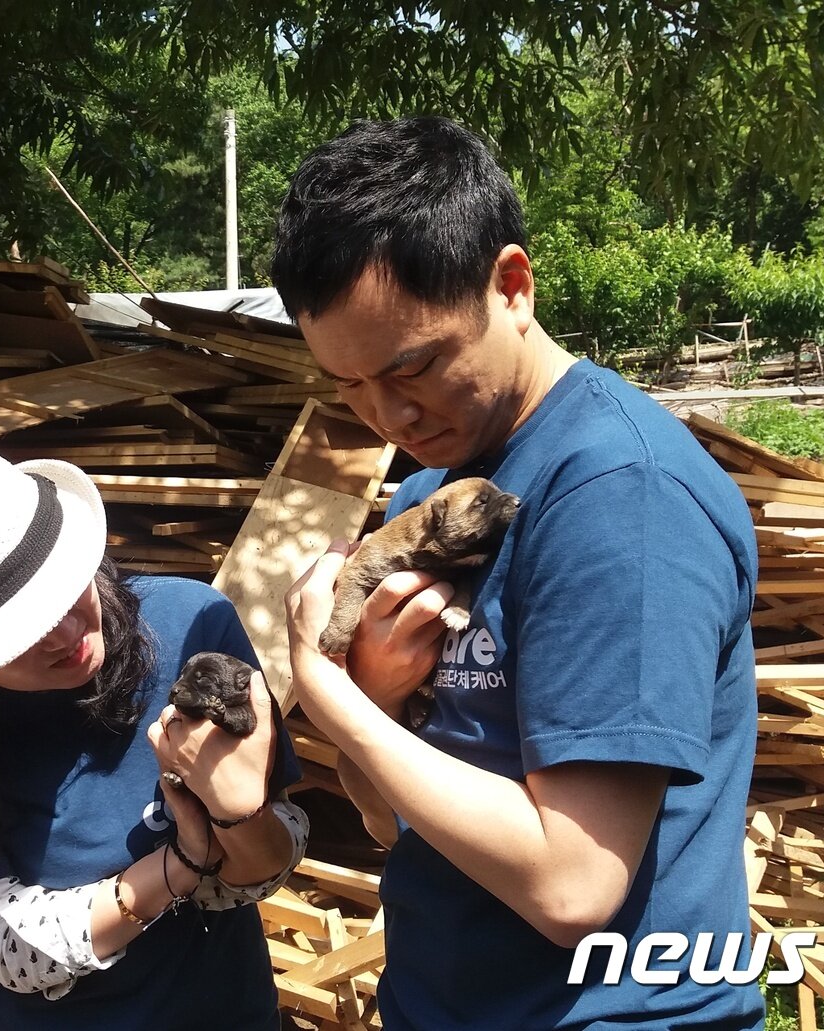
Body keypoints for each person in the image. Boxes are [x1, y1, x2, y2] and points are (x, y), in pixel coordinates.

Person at [275, 117, 764, 1030]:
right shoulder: (434, 492)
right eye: (347, 386)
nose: (388, 414)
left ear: (512, 285)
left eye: (410, 365)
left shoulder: (621, 496)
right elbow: (391, 822)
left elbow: (573, 883)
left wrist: (323, 687)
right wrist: (379, 699)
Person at [0, 432, 309, 1031]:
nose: (63, 635)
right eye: (14, 635)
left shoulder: (192, 625)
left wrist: (241, 818)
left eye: (60, 590)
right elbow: (9, 948)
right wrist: (187, 858)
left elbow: (269, 862)